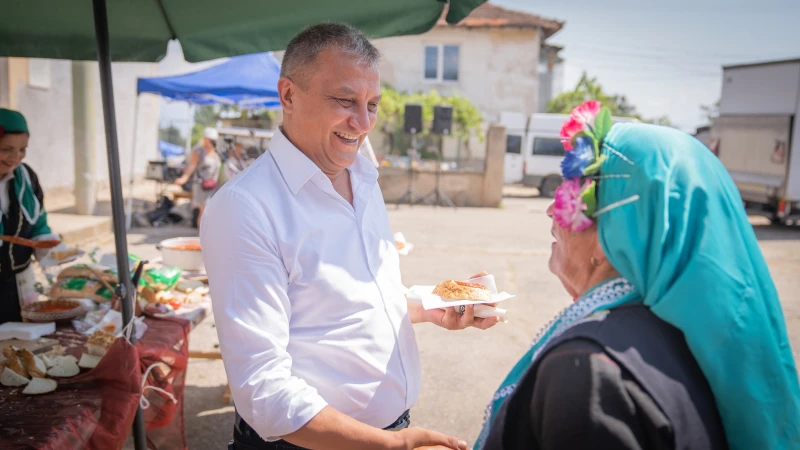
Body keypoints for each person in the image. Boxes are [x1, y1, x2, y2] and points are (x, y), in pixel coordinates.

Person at [200, 23, 498, 450]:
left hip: (388, 430)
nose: (362, 123)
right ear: (288, 95)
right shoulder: (245, 206)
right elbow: (263, 391)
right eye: (345, 100)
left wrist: (434, 303)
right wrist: (391, 445)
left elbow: (357, 298)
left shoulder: (363, 175)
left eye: (372, 104)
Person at [474, 101, 800, 450]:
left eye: (573, 195)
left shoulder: (590, 370)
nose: (553, 210)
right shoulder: (694, 339)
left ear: (616, 233)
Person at [0, 108, 63, 324]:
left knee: (20, 347)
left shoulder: (26, 177)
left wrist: (46, 243)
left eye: (22, 150)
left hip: (19, 282)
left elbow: (38, 223)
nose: (15, 158)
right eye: (6, 149)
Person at [174, 127, 221, 228]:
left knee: (208, 210)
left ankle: (204, 232)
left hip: (211, 186)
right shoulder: (198, 151)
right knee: (203, 210)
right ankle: (200, 233)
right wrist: (184, 178)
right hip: (201, 185)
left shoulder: (216, 152)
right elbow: (192, 165)